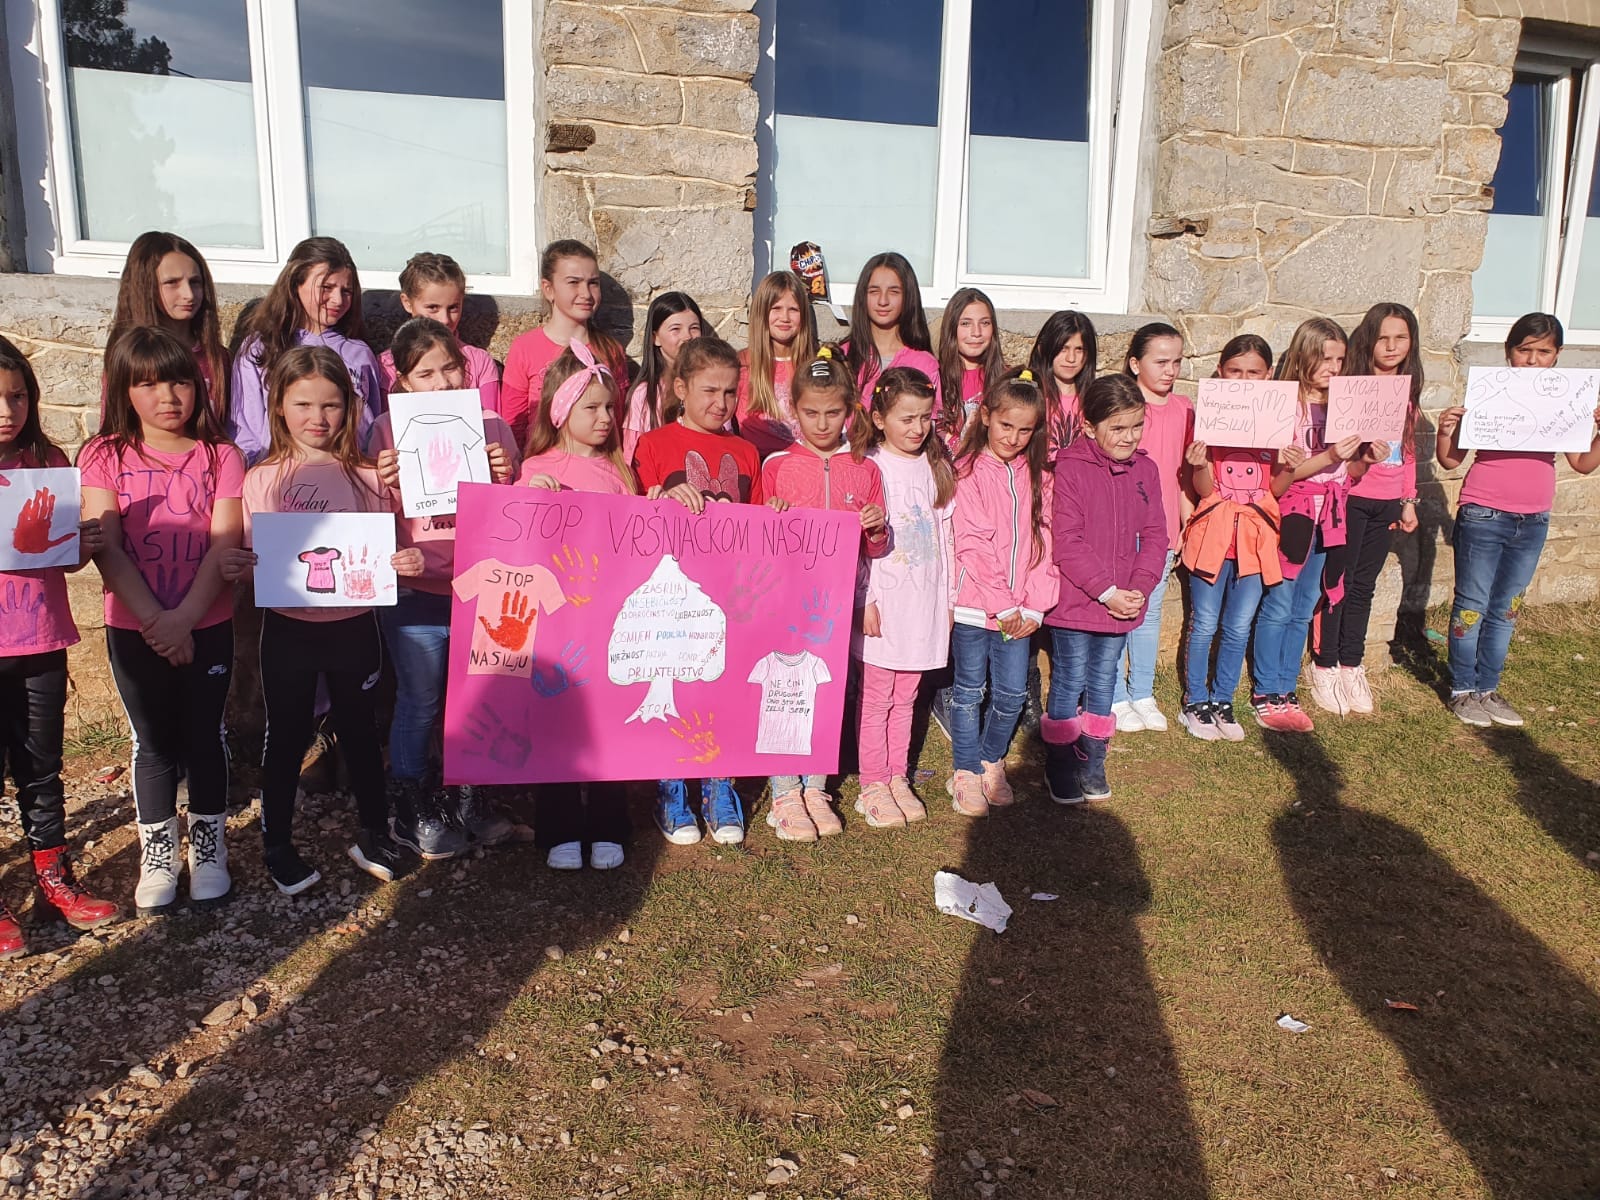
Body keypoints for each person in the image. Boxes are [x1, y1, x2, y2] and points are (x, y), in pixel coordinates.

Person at [222, 346, 422, 894]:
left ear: (349, 407)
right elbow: (250, 556)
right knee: (286, 734)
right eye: (303, 404)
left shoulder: (371, 476)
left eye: (331, 405)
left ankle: (375, 831)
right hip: (288, 629)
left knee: (360, 728)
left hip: (355, 626)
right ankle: (277, 843)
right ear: (278, 407)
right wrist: (239, 565)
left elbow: (392, 546)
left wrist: (405, 560)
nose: (318, 417)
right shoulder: (261, 479)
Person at [80, 327, 244, 914]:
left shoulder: (222, 456)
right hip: (134, 628)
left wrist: (185, 619)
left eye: (179, 381)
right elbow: (107, 547)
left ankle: (209, 847)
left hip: (207, 622)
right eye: (148, 384)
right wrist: (157, 621)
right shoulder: (103, 455)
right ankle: (158, 851)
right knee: (151, 742)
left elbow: (225, 542)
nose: (168, 396)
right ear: (123, 391)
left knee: (205, 736)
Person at [370, 319, 518, 860]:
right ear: (404, 381)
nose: (441, 381)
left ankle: (471, 798)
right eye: (425, 373)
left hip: (480, 588)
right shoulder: (385, 431)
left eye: (450, 368)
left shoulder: (492, 426)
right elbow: (369, 515)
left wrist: (505, 476)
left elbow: (514, 518)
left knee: (477, 697)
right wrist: (381, 481)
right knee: (420, 700)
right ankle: (414, 805)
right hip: (416, 593)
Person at [633, 337, 785, 845]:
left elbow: (757, 524)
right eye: (709, 391)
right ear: (680, 388)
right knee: (675, 687)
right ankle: (671, 787)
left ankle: (720, 786)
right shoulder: (653, 445)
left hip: (730, 596)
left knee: (723, 690)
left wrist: (774, 514)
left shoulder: (745, 452)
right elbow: (633, 517)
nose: (721, 403)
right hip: (673, 598)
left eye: (730, 392)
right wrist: (659, 498)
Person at [0, 337, 118, 956]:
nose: (7, 410)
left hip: (40, 638)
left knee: (41, 767)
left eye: (17, 395)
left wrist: (83, 544)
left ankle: (53, 876)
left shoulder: (47, 460)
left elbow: (63, 561)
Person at [1435, 312, 1600, 727]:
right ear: (1509, 352)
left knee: (1507, 608)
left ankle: (1487, 688)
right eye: (1524, 350)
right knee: (1472, 604)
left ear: (1557, 355)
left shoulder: (1567, 401)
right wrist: (1446, 431)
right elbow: (1451, 460)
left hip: (1534, 518)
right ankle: (1461, 689)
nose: (1532, 359)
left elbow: (1582, 463)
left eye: (1543, 351)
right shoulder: (1490, 393)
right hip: (1483, 512)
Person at [759, 348, 888, 840]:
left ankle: (816, 786)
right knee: (784, 691)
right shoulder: (777, 465)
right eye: (811, 412)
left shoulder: (865, 468)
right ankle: (784, 791)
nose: (821, 423)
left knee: (828, 690)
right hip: (785, 601)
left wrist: (875, 528)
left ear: (850, 410)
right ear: (794, 408)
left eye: (833, 412)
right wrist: (770, 514)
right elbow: (758, 542)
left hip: (836, 605)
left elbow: (875, 547)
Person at [520, 341, 639, 869]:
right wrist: (531, 498)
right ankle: (561, 826)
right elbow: (517, 544)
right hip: (556, 626)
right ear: (562, 409)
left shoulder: (620, 472)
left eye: (610, 407)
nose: (605, 417)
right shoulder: (536, 467)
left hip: (609, 621)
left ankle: (610, 823)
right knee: (558, 722)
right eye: (591, 407)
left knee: (609, 721)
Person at [1041, 375, 1166, 804]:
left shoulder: (1146, 470)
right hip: (1077, 602)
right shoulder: (1070, 469)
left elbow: (1156, 535)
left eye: (1137, 426)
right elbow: (1067, 541)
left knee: (1103, 678)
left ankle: (1092, 759)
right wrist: (1107, 591)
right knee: (1069, 676)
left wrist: (1139, 588)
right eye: (1118, 427)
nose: (1129, 437)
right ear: (1090, 427)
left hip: (1123, 602)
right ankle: (1060, 762)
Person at [1251, 318, 1371, 733]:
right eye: (1325, 359)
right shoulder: (1287, 405)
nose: (1334, 368)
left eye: (1340, 360)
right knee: (1279, 605)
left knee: (1305, 607)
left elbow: (1347, 473)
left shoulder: (1344, 404)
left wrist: (1365, 458)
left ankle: (1287, 688)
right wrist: (1330, 455)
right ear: (1304, 356)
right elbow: (1281, 477)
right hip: (1295, 513)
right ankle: (1265, 691)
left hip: (1331, 516)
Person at [948, 369, 1058, 815]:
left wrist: (1034, 606)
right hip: (976, 608)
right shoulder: (967, 471)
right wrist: (1003, 605)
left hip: (1021, 614)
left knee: (1012, 694)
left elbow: (1047, 543)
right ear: (986, 416)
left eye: (1024, 430)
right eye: (1005, 425)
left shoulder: (1040, 476)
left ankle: (990, 759)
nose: (1013, 437)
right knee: (969, 691)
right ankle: (964, 770)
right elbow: (972, 543)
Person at [854, 367, 956, 828]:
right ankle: (872, 783)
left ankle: (897, 776)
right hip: (885, 605)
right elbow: (859, 543)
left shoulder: (935, 467)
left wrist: (948, 601)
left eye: (925, 418)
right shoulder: (870, 466)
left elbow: (946, 538)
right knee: (877, 697)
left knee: (908, 696)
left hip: (923, 606)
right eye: (907, 419)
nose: (918, 428)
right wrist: (866, 598)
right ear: (879, 419)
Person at [1308, 303, 1422, 716]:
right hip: (1351, 498)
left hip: (1386, 503)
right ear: (1368, 341)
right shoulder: (1350, 387)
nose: (1391, 347)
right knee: (1338, 582)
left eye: (1400, 338)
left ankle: (1351, 663)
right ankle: (1324, 664)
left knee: (1364, 586)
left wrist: (1408, 501)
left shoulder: (1407, 392)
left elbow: (1408, 451)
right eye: (1382, 338)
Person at [1178, 338, 1284, 742]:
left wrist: (1290, 467)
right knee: (1204, 622)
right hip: (1213, 541)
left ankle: (1223, 699)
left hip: (1254, 543)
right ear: (1221, 372)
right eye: (1235, 371)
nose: (1244, 379)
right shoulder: (1209, 419)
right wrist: (1199, 464)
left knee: (1238, 626)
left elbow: (1275, 489)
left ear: (1268, 376)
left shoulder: (1277, 420)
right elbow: (1204, 490)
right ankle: (1195, 700)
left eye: (1253, 372)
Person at [229, 236, 382, 465]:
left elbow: (374, 429)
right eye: (326, 288)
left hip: (349, 475)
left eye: (347, 291)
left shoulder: (360, 354)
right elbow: (244, 427)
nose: (337, 300)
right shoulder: (260, 348)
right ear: (295, 284)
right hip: (282, 474)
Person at [1109, 323, 1194, 734]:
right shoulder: (1123, 409)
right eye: (1160, 362)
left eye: (1176, 361)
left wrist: (1185, 522)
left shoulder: (1184, 409)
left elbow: (1183, 474)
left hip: (1163, 530)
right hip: (1122, 528)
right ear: (1134, 363)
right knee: (1115, 610)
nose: (1170, 370)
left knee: (1149, 611)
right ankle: (1112, 694)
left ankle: (1141, 691)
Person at [502, 240, 629, 447]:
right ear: (548, 289)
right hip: (540, 461)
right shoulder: (525, 348)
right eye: (573, 282)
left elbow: (618, 421)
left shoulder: (610, 351)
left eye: (593, 283)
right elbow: (512, 423)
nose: (586, 293)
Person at [105, 231, 229, 423]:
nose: (189, 294)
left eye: (195, 282)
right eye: (172, 283)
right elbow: (115, 426)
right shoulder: (129, 357)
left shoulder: (218, 358)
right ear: (146, 287)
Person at [378, 252, 502, 413]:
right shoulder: (387, 364)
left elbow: (492, 419)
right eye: (433, 308)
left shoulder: (479, 362)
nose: (444, 319)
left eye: (453, 308)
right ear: (407, 303)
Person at [737, 272, 818, 459]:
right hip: (758, 465)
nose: (785, 317)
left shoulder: (815, 366)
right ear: (762, 312)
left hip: (805, 464)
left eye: (793, 310)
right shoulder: (741, 364)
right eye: (776, 308)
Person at [844, 252, 941, 407]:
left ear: (908, 296)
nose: (883, 301)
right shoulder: (841, 356)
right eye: (874, 291)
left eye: (894, 292)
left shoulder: (925, 364)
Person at [624, 291, 704, 462]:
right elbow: (633, 456)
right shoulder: (646, 395)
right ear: (656, 338)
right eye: (676, 329)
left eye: (694, 328)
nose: (687, 337)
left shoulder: (709, 387)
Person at [935, 287, 1005, 452]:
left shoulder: (1006, 378)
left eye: (985, 323)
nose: (976, 333)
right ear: (951, 327)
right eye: (966, 323)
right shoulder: (934, 375)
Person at [1026, 310, 1099, 462]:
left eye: (1079, 350)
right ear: (1043, 348)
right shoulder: (1030, 394)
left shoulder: (1094, 399)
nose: (1071, 358)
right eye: (1063, 349)